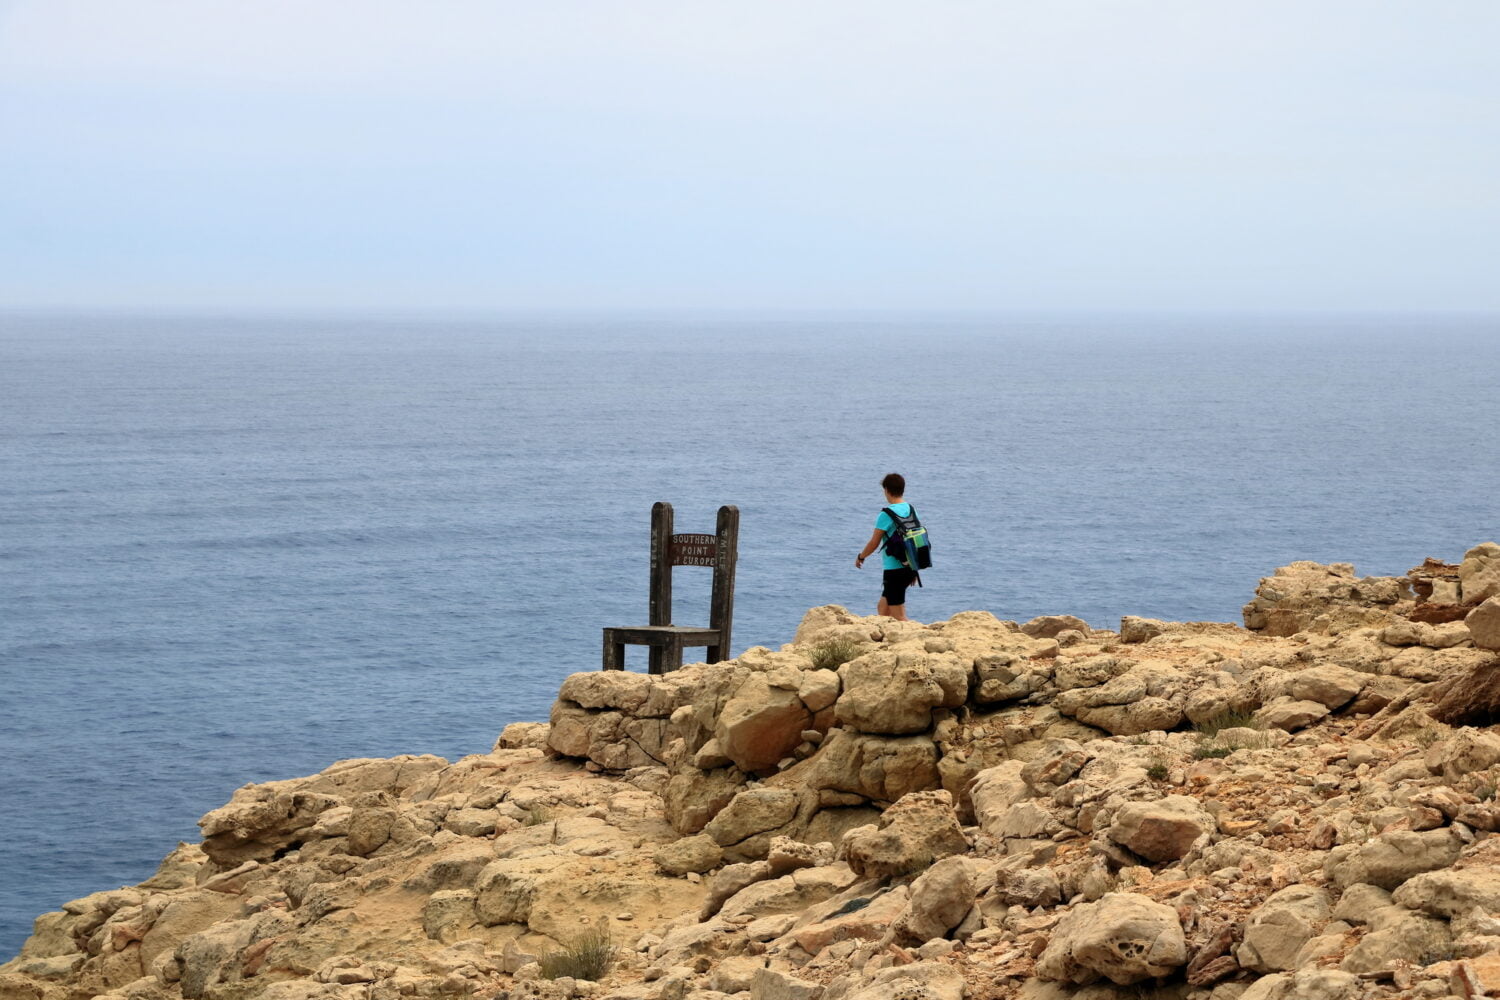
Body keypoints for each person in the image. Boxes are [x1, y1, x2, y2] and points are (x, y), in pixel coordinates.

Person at [855, 472, 918, 621]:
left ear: (886, 490)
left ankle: (910, 641)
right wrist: (914, 568)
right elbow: (915, 539)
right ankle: (886, 640)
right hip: (909, 566)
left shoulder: (886, 514)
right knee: (883, 608)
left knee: (899, 615)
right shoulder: (910, 509)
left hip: (894, 570)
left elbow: (874, 543)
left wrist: (861, 556)